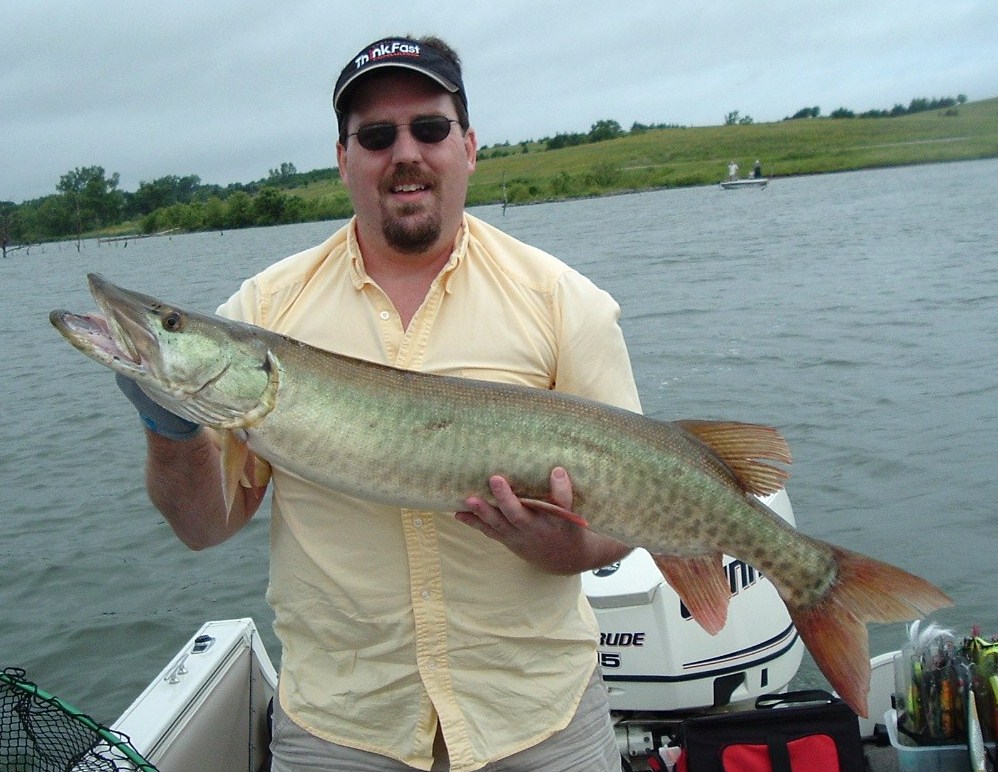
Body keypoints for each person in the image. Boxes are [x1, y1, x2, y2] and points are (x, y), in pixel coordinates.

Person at [118, 35, 640, 772]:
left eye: (429, 128)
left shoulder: (564, 303)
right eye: (375, 135)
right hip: (342, 728)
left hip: (538, 718)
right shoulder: (265, 309)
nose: (406, 153)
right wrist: (167, 424)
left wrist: (571, 551)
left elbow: (631, 519)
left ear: (468, 147)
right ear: (344, 159)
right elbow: (204, 526)